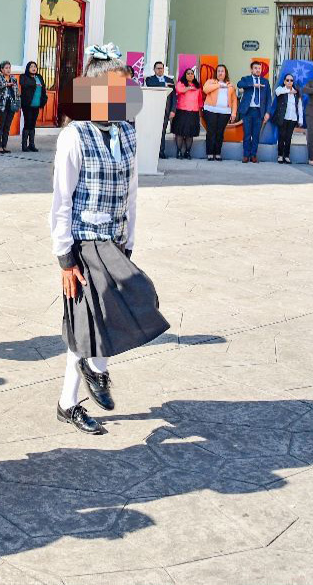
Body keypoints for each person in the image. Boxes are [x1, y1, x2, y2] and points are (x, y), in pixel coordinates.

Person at [50, 44, 170, 436]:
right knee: (109, 309)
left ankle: (70, 400)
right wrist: (64, 259)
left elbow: (132, 191)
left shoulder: (125, 133)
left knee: (98, 318)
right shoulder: (74, 135)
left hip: (115, 238)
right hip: (85, 242)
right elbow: (61, 199)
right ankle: (94, 370)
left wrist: (129, 240)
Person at [236, 61, 270, 163]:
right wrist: (253, 85)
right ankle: (246, 155)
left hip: (259, 112)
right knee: (247, 134)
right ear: (251, 69)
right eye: (255, 68)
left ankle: (253, 155)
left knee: (255, 135)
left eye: (259, 68)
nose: (257, 70)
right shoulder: (246, 79)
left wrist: (267, 112)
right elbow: (239, 84)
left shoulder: (265, 81)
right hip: (247, 111)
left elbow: (269, 98)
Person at [200, 64, 234, 161]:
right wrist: (219, 85)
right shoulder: (211, 82)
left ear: (225, 73)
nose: (220, 73)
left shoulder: (230, 85)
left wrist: (234, 113)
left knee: (220, 133)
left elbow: (234, 100)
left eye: (222, 71)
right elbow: (205, 89)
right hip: (211, 110)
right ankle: (210, 153)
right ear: (216, 73)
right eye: (218, 71)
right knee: (211, 132)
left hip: (225, 112)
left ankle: (217, 153)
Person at [144, 62, 175, 159]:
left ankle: (161, 152)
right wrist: (164, 84)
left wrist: (173, 110)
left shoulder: (170, 80)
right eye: (158, 68)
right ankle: (151, 152)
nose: (160, 70)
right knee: (152, 132)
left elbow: (174, 97)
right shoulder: (150, 79)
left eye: (161, 68)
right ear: (154, 69)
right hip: (153, 110)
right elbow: (151, 85)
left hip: (166, 111)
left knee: (162, 132)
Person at [271, 73, 304, 164]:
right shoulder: (281, 89)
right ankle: (280, 155)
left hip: (292, 118)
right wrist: (289, 91)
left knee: (288, 138)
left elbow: (300, 106)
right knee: (281, 136)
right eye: (287, 80)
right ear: (284, 81)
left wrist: (300, 119)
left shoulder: (296, 92)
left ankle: (287, 156)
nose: (289, 82)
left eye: (291, 80)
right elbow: (277, 92)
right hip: (283, 117)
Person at [170, 68, 202, 159]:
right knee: (179, 133)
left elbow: (199, 100)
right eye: (188, 73)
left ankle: (187, 152)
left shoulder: (197, 86)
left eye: (192, 73)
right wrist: (188, 88)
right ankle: (179, 152)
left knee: (190, 134)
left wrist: (200, 111)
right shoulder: (181, 83)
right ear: (185, 75)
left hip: (193, 112)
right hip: (181, 111)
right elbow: (179, 90)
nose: (190, 75)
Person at [0, 60, 20, 154]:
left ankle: (4, 145)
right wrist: (6, 84)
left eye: (9, 68)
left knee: (7, 126)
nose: (8, 70)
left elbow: (17, 93)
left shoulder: (14, 78)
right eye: (6, 68)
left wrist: (17, 103)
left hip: (10, 105)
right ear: (1, 69)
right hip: (1, 106)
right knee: (0, 125)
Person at [18, 61, 45, 152]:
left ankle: (32, 144)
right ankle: (24, 145)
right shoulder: (24, 77)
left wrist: (44, 100)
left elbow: (43, 89)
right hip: (27, 104)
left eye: (35, 66)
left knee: (33, 124)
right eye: (31, 66)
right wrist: (34, 81)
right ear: (28, 68)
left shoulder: (39, 77)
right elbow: (25, 85)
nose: (34, 68)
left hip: (37, 104)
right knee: (27, 123)